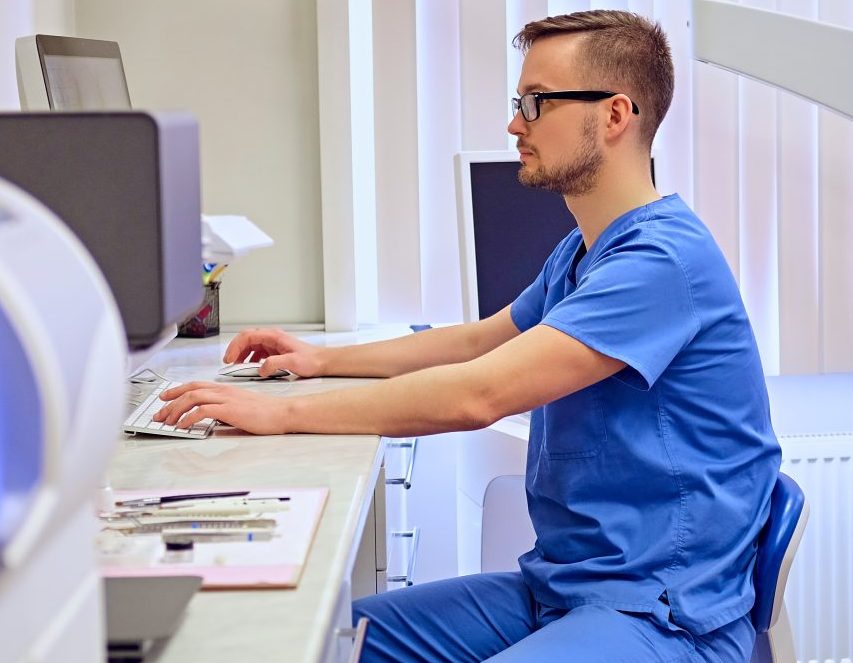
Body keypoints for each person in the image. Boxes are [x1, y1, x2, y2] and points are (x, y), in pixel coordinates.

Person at [155, 10, 780, 662]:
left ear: (615, 114)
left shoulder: (659, 264)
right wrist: (320, 359)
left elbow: (480, 393)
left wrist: (282, 416)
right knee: (328, 641)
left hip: (661, 614)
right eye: (519, 102)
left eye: (536, 103)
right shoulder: (582, 252)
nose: (515, 123)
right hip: (563, 590)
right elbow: (478, 343)